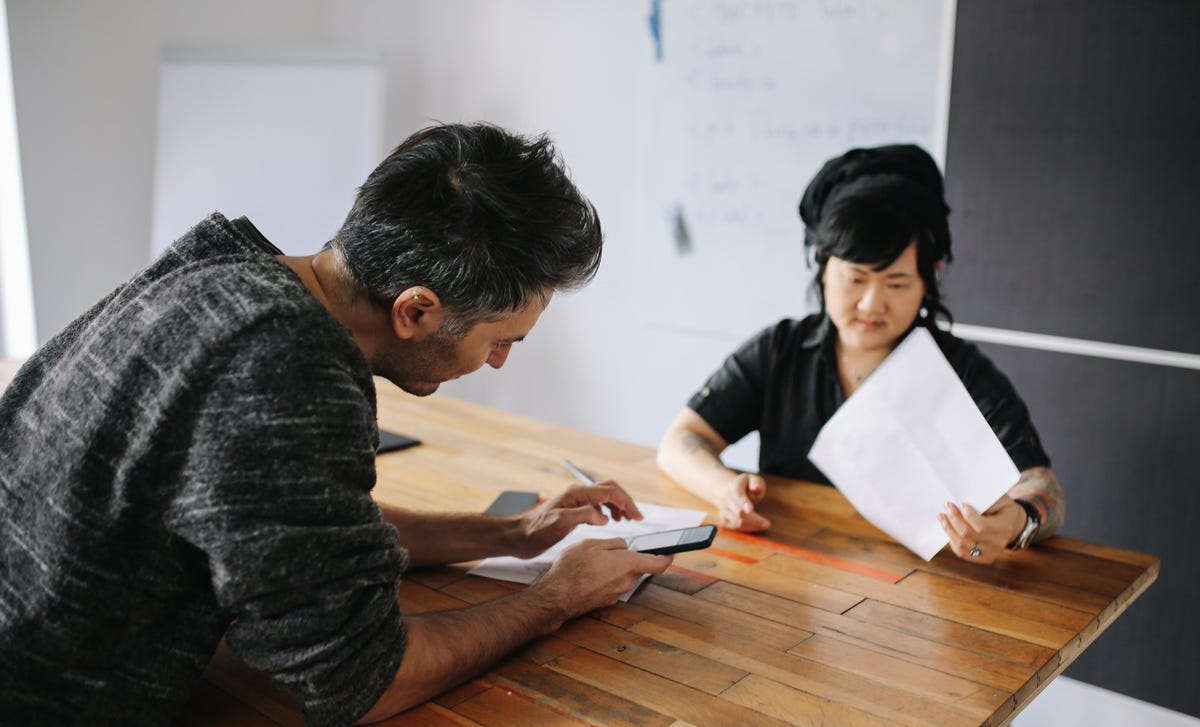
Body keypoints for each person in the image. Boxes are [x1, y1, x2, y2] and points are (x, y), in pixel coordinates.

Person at [0, 123, 672, 726]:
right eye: (503, 339)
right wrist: (554, 599)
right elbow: (364, 680)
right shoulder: (289, 361)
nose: (497, 361)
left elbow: (299, 525)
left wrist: (513, 533)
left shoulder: (219, 265)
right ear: (416, 310)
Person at [656, 144, 1065, 565]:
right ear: (823, 267)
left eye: (897, 283)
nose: (872, 304)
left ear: (930, 279)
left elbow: (1041, 486)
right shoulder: (781, 350)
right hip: (791, 571)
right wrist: (724, 487)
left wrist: (1017, 522)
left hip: (922, 585)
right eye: (855, 278)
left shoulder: (961, 370)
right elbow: (680, 441)